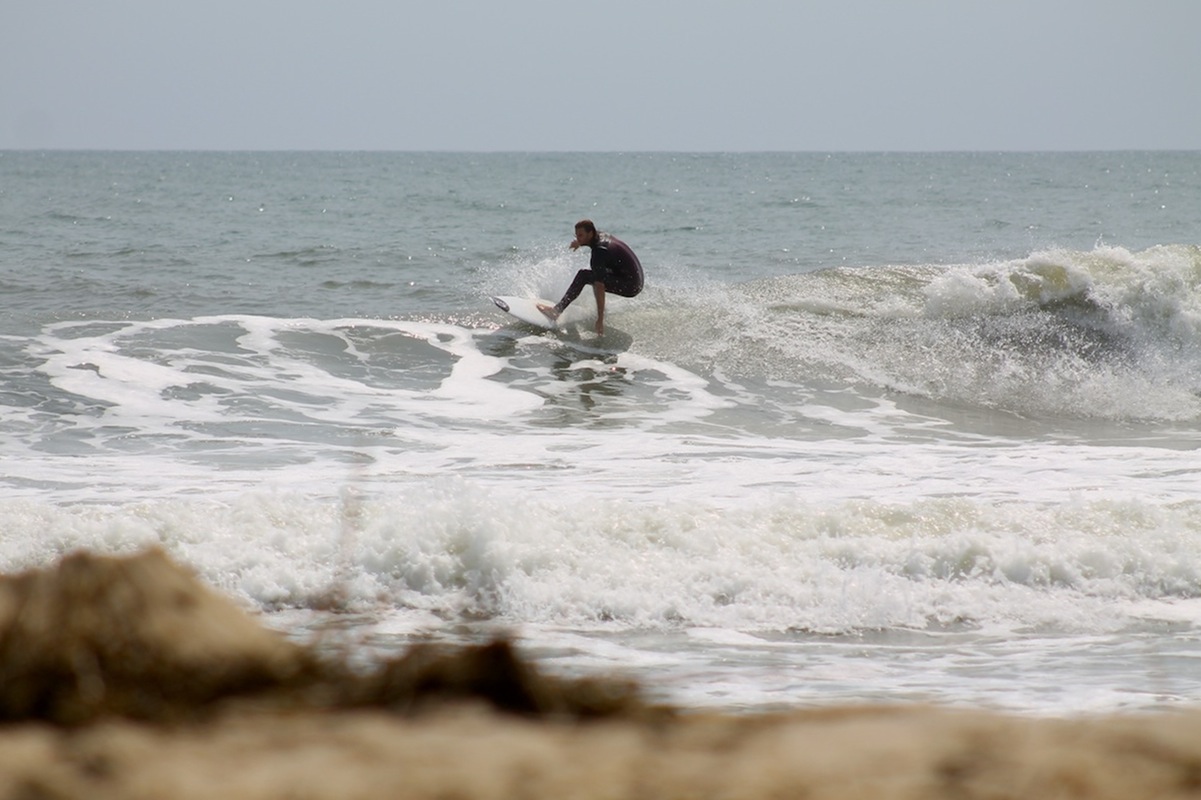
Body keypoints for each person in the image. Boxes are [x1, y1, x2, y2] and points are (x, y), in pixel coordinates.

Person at [538, 220, 643, 335]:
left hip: (631, 286)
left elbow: (600, 286)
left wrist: (600, 319)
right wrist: (579, 243)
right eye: (576, 235)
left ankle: (556, 311)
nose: (578, 238)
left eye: (581, 235)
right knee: (596, 274)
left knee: (584, 276)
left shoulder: (599, 252)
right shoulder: (601, 235)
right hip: (634, 278)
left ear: (590, 233)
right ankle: (598, 309)